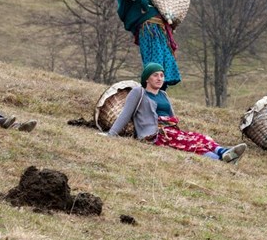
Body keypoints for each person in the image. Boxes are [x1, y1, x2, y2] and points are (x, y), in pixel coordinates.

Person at [105, 63, 247, 164]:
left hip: (171, 130)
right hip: (154, 134)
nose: (159, 78)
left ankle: (224, 152)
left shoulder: (163, 94)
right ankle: (220, 161)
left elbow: (173, 117)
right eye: (155, 75)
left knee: (200, 137)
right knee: (190, 142)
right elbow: (125, 114)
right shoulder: (138, 92)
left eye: (162, 75)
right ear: (147, 78)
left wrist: (177, 129)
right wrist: (111, 134)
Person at [97, 0, 181, 88]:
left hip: (149, 28)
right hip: (153, 28)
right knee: (158, 58)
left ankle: (154, 90)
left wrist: (145, 7)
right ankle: (160, 89)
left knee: (153, 60)